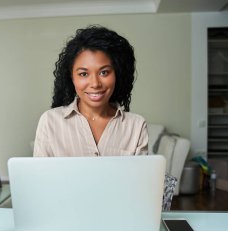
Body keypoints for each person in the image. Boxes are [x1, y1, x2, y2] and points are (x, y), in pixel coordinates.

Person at [33, 25, 148, 157]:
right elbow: (41, 176)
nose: (95, 84)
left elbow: (140, 177)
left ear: (117, 74)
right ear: (71, 77)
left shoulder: (136, 126)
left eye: (104, 72)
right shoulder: (49, 121)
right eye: (83, 74)